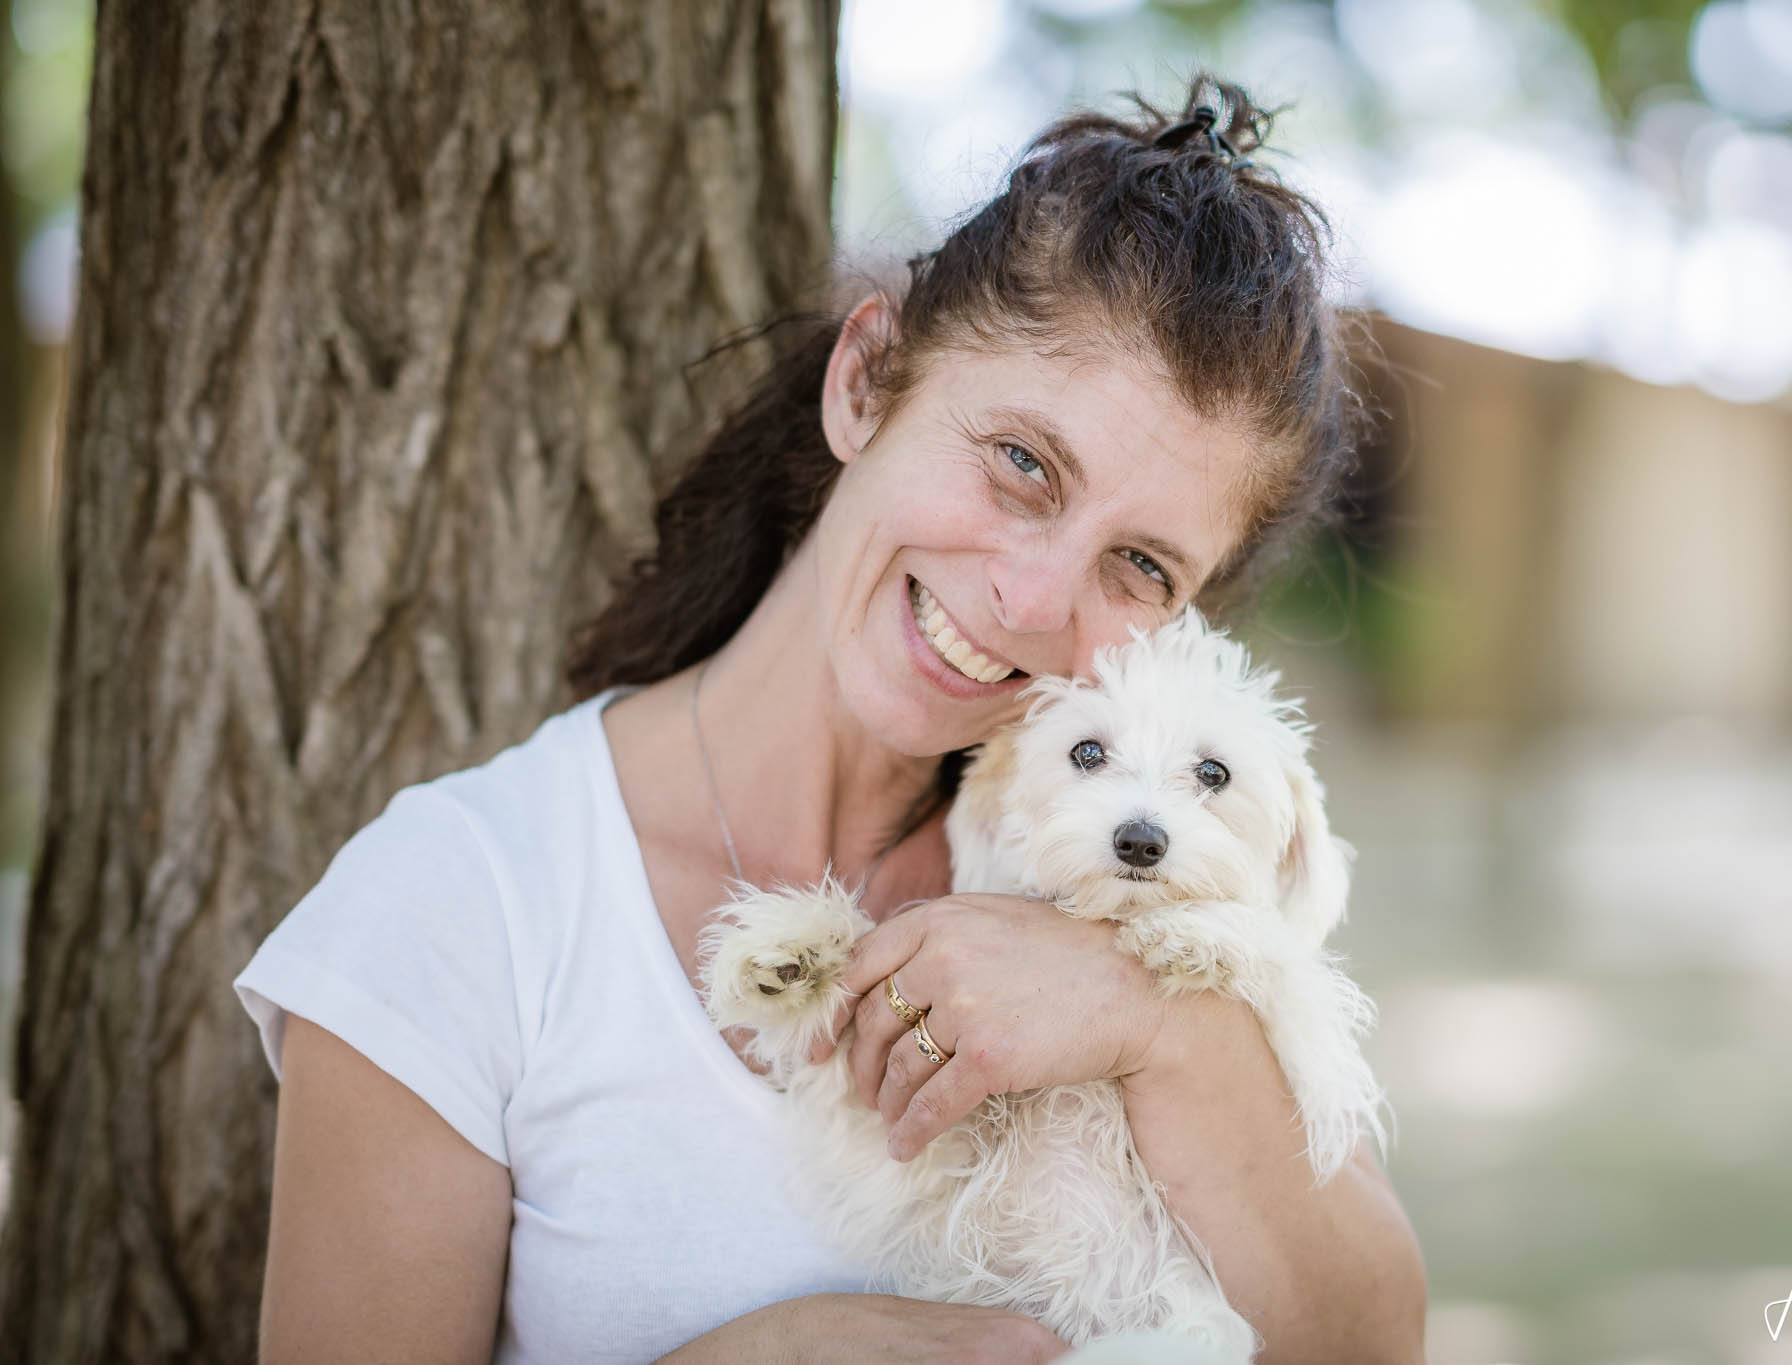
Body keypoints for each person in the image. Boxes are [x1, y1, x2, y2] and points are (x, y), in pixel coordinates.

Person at [233, 75, 1428, 1365]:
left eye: (1139, 568)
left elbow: (1376, 1343)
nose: (1032, 600)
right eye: (1022, 462)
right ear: (866, 380)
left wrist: (1155, 1023)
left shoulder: (1161, 904)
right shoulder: (462, 905)